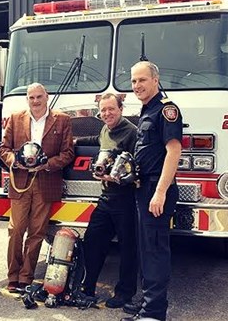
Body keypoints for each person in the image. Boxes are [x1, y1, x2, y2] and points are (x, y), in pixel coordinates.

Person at [0, 82, 74, 291]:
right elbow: (3, 148)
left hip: (46, 180)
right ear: (27, 99)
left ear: (46, 97)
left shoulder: (62, 120)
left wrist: (47, 164)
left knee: (37, 232)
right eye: (31, 97)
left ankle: (26, 276)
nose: (35, 101)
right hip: (21, 181)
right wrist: (15, 160)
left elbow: (68, 153)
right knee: (15, 229)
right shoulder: (15, 118)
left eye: (39, 96)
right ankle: (13, 274)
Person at [121, 61, 182, 321]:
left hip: (156, 189)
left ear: (155, 80)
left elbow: (174, 151)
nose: (137, 86)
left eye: (142, 80)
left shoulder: (166, 110)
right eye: (134, 81)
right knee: (146, 250)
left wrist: (160, 192)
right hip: (142, 188)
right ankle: (147, 302)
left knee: (155, 251)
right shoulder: (147, 110)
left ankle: (154, 313)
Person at [75, 93, 138, 308]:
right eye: (103, 110)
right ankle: (87, 287)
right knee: (92, 241)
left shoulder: (132, 132)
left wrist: (116, 177)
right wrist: (75, 141)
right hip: (106, 197)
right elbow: (98, 140)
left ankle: (124, 294)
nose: (106, 113)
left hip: (126, 199)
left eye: (111, 109)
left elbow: (138, 167)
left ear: (121, 109)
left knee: (128, 247)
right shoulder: (105, 129)